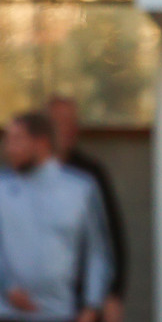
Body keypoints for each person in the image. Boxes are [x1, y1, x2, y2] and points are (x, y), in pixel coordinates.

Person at [0, 112, 112, 322]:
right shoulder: (2, 188)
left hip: (60, 313)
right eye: (8, 140)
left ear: (41, 143)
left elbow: (97, 252)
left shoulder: (80, 189)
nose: (9, 148)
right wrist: (6, 285)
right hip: (7, 313)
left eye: (17, 140)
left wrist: (92, 306)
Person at [46, 98, 127, 322]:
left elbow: (111, 234)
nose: (68, 129)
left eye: (73, 122)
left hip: (84, 297)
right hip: (34, 300)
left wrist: (114, 292)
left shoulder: (90, 173)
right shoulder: (20, 177)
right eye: (60, 122)